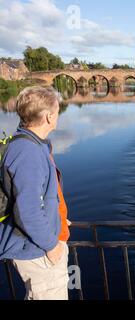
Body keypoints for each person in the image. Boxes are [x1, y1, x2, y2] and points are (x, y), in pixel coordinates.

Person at [0, 86, 70, 300]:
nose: (58, 115)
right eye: (58, 111)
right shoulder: (27, 152)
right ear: (49, 116)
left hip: (38, 246)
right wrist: (51, 246)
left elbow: (39, 197)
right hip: (38, 251)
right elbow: (28, 210)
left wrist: (57, 220)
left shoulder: (32, 145)